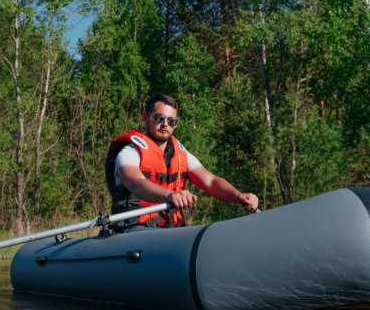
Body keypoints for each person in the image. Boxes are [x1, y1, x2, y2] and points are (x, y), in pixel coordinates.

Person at [104, 93, 259, 228]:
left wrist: (238, 196)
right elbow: (136, 183)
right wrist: (170, 195)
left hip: (170, 228)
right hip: (135, 228)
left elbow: (210, 181)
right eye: (159, 118)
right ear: (145, 118)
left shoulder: (181, 155)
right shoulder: (129, 152)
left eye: (171, 121)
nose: (165, 124)